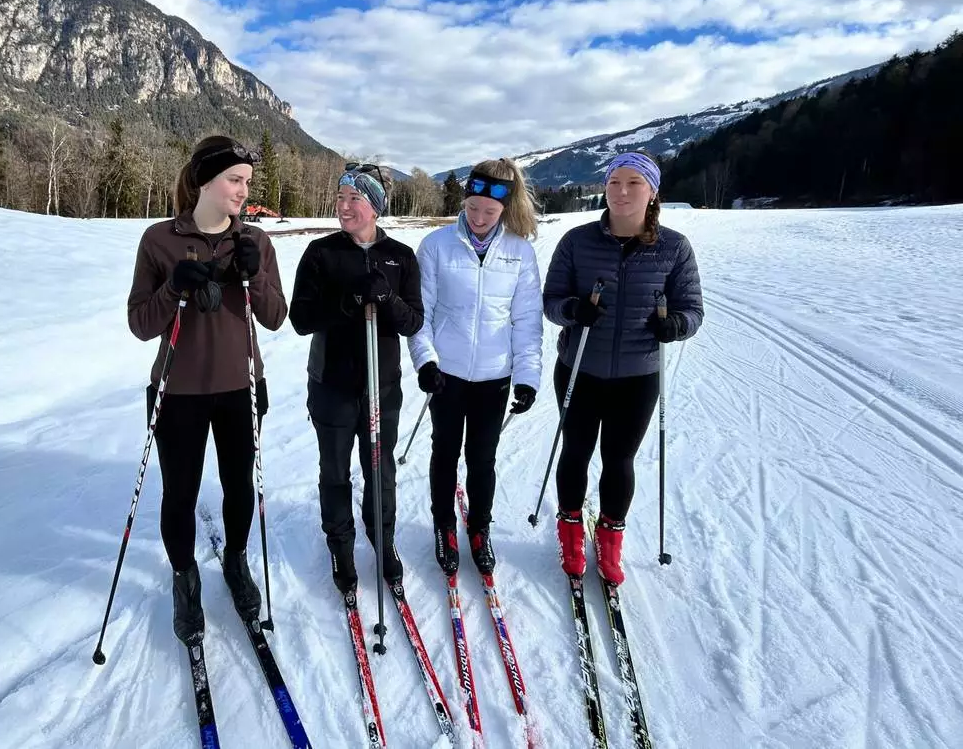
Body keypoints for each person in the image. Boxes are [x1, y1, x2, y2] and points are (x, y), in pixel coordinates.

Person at [126, 135, 288, 645]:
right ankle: (184, 577)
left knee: (239, 485)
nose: (244, 191)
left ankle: (236, 563)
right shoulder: (159, 239)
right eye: (235, 180)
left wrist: (254, 275)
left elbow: (275, 316)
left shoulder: (256, 242)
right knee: (181, 492)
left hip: (240, 385)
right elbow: (139, 324)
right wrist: (174, 285)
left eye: (247, 182)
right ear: (205, 181)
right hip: (177, 391)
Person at [542, 151, 703, 585]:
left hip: (638, 375)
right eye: (614, 182)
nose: (622, 191)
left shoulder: (673, 248)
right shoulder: (577, 241)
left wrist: (675, 325)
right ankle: (570, 532)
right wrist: (574, 309)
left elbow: (692, 310)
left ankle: (610, 541)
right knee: (575, 450)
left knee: (619, 458)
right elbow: (551, 301)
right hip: (580, 366)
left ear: (652, 193)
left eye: (634, 183)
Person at [289, 163, 424, 593]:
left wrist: (386, 298)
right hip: (332, 384)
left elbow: (413, 322)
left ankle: (382, 540)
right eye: (341, 197)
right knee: (335, 470)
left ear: (376, 207)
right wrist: (347, 302)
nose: (344, 207)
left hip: (382, 387)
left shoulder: (401, 257)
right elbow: (301, 318)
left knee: (380, 469)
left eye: (355, 199)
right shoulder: (321, 253)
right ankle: (340, 544)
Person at [408, 159, 543, 577]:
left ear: (505, 207)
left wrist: (527, 378)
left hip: (494, 377)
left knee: (482, 458)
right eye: (472, 208)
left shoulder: (519, 253)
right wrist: (426, 361)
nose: (480, 218)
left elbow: (527, 323)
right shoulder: (435, 246)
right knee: (444, 453)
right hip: (446, 376)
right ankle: (444, 525)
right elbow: (421, 314)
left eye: (490, 211)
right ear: (463, 201)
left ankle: (479, 527)